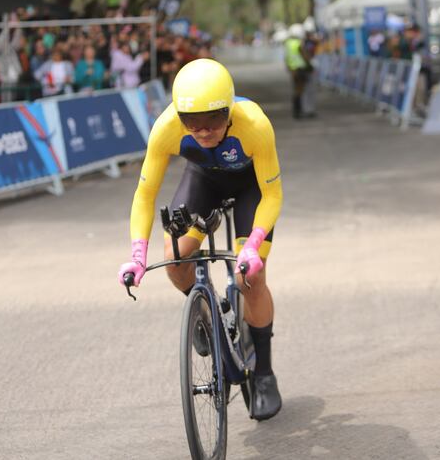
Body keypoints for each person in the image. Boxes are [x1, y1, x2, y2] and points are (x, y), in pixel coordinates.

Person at [117, 59, 284, 421]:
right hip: (203, 182)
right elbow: (145, 196)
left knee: (248, 277)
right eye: (192, 122)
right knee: (175, 259)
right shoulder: (166, 129)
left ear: (229, 110)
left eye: (213, 120)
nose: (202, 130)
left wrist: (253, 245)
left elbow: (272, 196)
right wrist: (137, 255)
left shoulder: (254, 124)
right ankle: (206, 313)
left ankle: (265, 374)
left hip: (250, 190)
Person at [284, 24, 309, 119]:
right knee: (300, 90)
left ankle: (296, 110)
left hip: (293, 69)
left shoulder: (288, 43)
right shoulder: (299, 43)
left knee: (296, 90)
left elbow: (286, 57)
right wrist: (310, 64)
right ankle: (298, 110)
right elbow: (304, 55)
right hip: (300, 69)